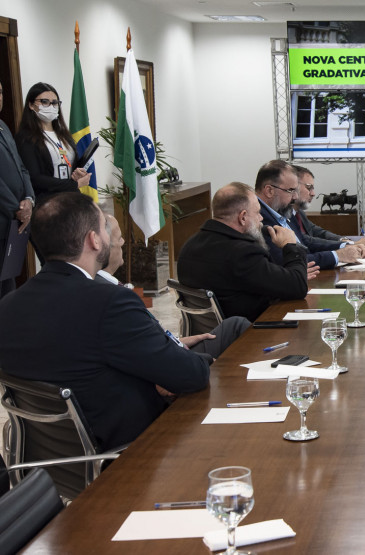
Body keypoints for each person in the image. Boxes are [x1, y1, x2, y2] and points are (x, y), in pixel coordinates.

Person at [0, 192, 210, 451]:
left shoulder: (8, 305)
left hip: (49, 457)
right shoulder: (109, 301)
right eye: (105, 229)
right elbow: (191, 375)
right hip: (129, 453)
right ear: (94, 240)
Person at [98, 214, 251, 357]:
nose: (124, 242)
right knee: (238, 326)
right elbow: (142, 353)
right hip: (169, 361)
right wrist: (203, 361)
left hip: (170, 346)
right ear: (102, 244)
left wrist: (178, 340)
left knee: (235, 324)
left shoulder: (107, 287)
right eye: (119, 238)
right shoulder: (113, 297)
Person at [177, 182, 318, 321]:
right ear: (243, 217)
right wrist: (290, 246)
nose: (261, 218)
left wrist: (284, 277)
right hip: (247, 333)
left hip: (212, 335)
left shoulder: (189, 246)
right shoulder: (242, 253)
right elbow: (298, 288)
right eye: (257, 213)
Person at [254, 160, 365, 270]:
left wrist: (345, 246)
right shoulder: (258, 218)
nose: (295, 197)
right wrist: (338, 255)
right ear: (269, 191)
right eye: (291, 190)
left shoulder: (282, 210)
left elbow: (304, 242)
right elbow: (285, 261)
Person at [14, 82, 91, 204]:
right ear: (31, 105)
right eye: (44, 102)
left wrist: (77, 174)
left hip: (72, 198)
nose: (51, 106)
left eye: (55, 103)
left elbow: (70, 165)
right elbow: (35, 178)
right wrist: (72, 184)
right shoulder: (26, 137)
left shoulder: (64, 134)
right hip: (47, 202)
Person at [286, 165, 365, 252]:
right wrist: (349, 245)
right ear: (294, 186)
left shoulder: (299, 212)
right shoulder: (283, 215)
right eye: (309, 188)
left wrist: (343, 240)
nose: (313, 193)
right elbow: (306, 241)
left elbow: (317, 231)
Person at [0, 82, 35, 297]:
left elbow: (21, 168)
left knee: (8, 285)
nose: (0, 97)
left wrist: (29, 200)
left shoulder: (3, 126)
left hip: (13, 223)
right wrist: (16, 208)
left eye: (1, 92)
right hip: (6, 216)